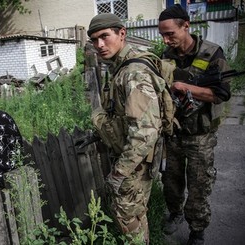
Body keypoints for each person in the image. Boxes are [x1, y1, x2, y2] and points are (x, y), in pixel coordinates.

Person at [86, 13, 165, 244]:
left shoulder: (133, 73)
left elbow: (145, 132)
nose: (99, 45)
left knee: (127, 217)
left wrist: (118, 173)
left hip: (134, 165)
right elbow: (122, 117)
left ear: (122, 33)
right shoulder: (119, 67)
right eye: (93, 40)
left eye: (104, 36)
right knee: (136, 215)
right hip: (134, 160)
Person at [158, 4, 232, 245]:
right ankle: (175, 214)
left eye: (170, 33)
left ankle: (197, 231)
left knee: (199, 184)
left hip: (201, 134)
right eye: (163, 35)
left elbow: (221, 94)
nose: (166, 39)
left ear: (186, 26)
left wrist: (186, 88)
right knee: (171, 179)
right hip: (174, 132)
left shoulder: (212, 53)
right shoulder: (166, 57)